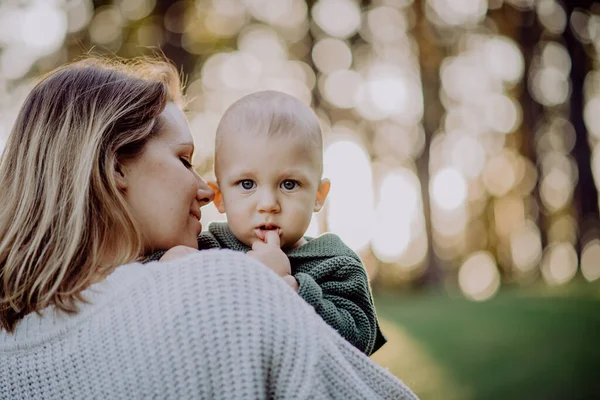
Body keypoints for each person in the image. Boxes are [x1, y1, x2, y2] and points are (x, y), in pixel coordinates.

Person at [0, 57, 418, 399]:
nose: (204, 190)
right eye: (184, 160)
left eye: (288, 184)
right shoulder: (220, 287)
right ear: (113, 167)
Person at [148, 91, 386, 356]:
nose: (268, 203)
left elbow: (359, 339)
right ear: (220, 197)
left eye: (289, 184)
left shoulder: (335, 262)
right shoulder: (206, 251)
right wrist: (167, 266)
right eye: (247, 184)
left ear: (318, 196)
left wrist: (289, 287)